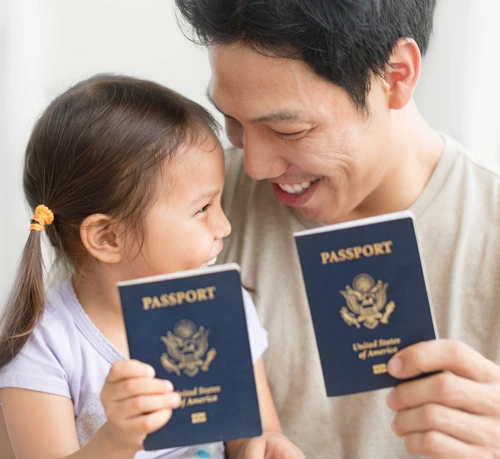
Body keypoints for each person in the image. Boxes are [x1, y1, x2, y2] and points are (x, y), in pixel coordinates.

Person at [174, 0, 500, 457]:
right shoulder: (180, 212)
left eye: (289, 130)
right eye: (232, 121)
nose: (254, 165)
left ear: (397, 76)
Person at [0, 74, 305, 459]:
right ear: (108, 238)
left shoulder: (224, 306)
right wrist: (117, 441)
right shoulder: (44, 345)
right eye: (202, 209)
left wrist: (266, 447)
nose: (224, 227)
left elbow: (253, 435)